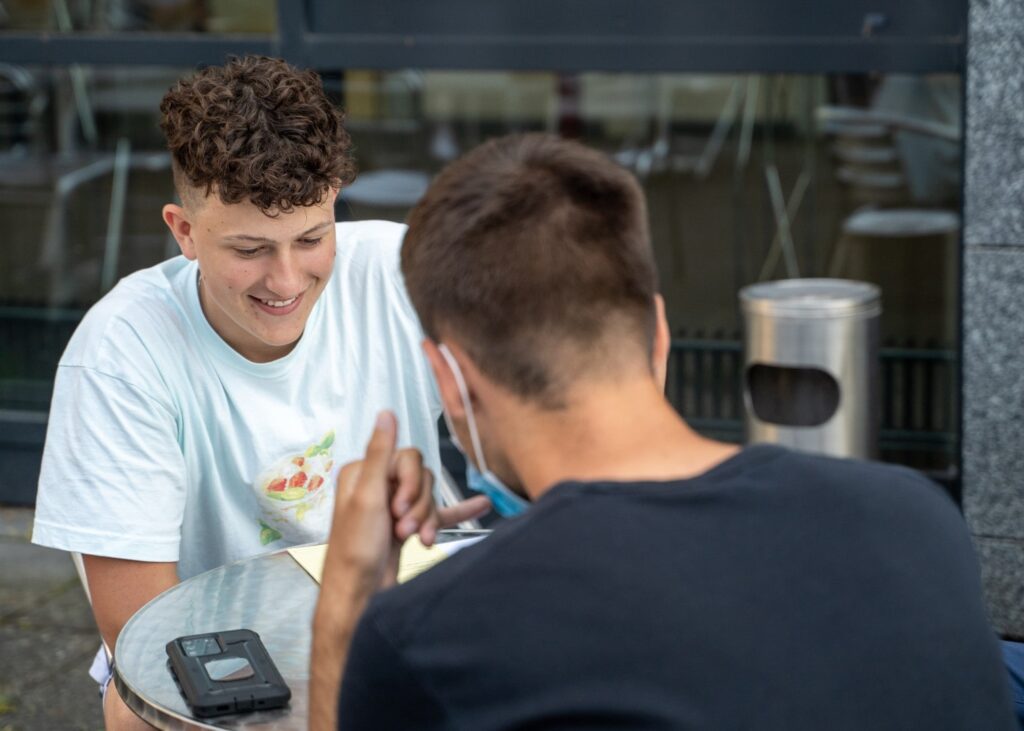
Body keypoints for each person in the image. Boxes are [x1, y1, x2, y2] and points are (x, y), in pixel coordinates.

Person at [310, 133, 1016, 730]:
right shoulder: (915, 516)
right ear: (659, 333)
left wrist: (347, 593)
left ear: (449, 379)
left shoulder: (433, 638)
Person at [30, 56, 488, 730]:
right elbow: (144, 643)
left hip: (406, 609)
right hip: (227, 653)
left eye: (311, 237)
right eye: (249, 248)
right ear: (183, 231)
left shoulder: (401, 269)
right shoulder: (120, 353)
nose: (286, 279)